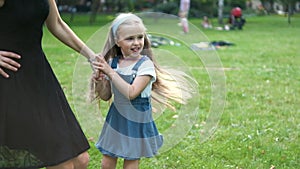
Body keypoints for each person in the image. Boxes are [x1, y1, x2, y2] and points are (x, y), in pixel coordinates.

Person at [0, 0, 97, 168]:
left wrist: (92, 57)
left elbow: (57, 24)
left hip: (39, 75)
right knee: (62, 163)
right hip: (10, 77)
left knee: (81, 160)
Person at [90, 13, 193, 169]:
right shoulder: (114, 63)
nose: (136, 42)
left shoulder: (146, 65)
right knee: (107, 161)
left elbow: (132, 93)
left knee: (131, 161)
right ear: (117, 41)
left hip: (135, 119)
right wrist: (99, 82)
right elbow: (106, 96)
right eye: (130, 38)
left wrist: (111, 73)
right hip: (116, 117)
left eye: (140, 37)